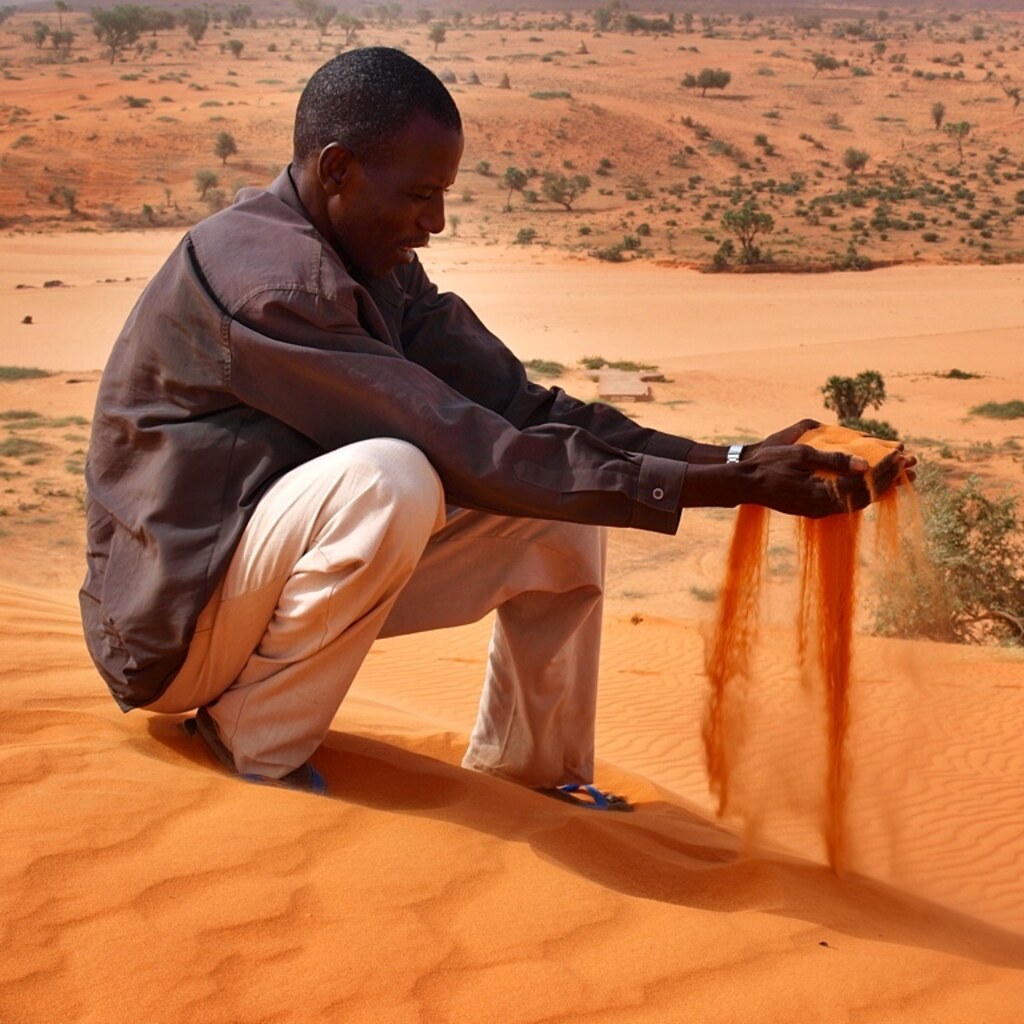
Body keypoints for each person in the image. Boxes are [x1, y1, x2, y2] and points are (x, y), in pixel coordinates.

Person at [80, 47, 910, 806]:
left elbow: (523, 410)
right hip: (177, 628)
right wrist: (725, 487)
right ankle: (254, 747)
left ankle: (534, 772)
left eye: (442, 196)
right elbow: (458, 441)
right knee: (394, 477)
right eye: (418, 194)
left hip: (256, 587)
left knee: (562, 501)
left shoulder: (374, 264)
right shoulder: (275, 286)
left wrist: (736, 457)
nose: (433, 223)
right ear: (338, 169)